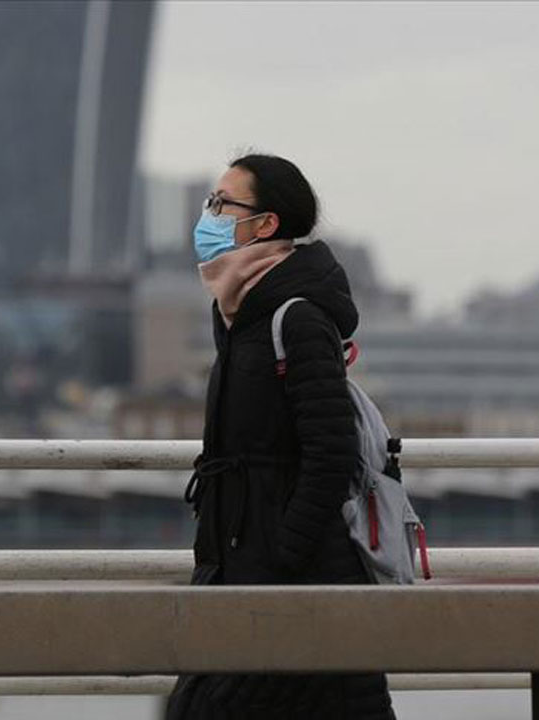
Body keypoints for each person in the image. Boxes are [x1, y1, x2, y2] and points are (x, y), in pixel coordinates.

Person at [165, 154, 395, 720]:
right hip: (243, 567)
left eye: (223, 204)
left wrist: (283, 553)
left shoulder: (295, 318)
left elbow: (330, 449)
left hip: (291, 574)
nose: (210, 217)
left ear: (266, 224)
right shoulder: (238, 314)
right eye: (209, 203)